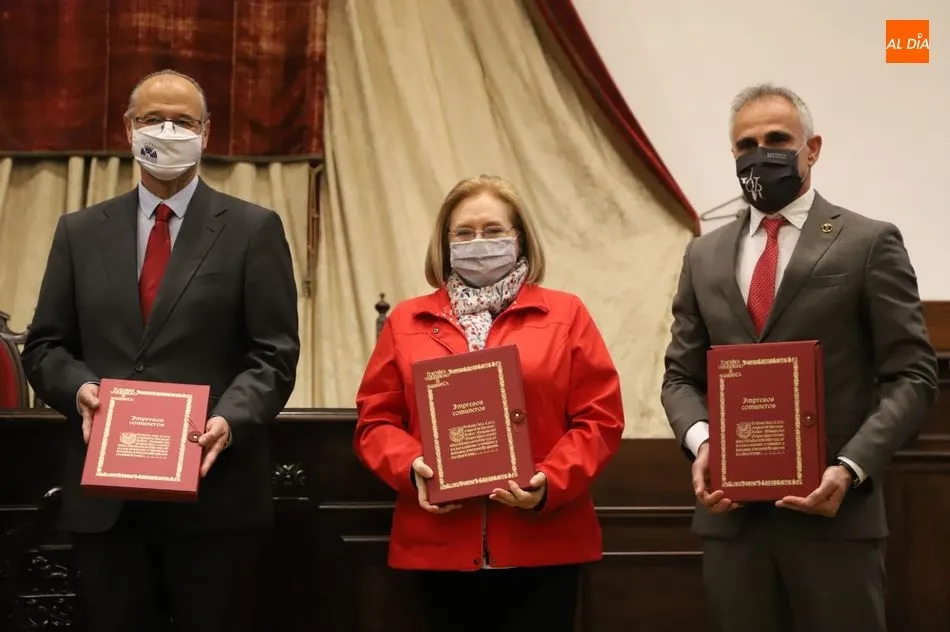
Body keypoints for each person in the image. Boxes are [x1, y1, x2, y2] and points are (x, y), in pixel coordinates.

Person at [20, 69, 300, 632]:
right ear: (128, 129)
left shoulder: (253, 229)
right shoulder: (79, 231)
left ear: (206, 132)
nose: (168, 130)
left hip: (214, 499)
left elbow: (274, 354)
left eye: (183, 121)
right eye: (152, 119)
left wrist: (229, 418)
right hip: (107, 508)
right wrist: (79, 390)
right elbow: (45, 345)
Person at [660, 83, 938, 632]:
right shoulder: (703, 254)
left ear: (812, 148)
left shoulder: (867, 241)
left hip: (836, 519)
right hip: (731, 525)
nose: (760, 153)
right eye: (746, 144)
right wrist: (705, 443)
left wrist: (851, 468)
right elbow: (679, 377)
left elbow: (913, 374)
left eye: (777, 139)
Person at [353, 174, 624, 632]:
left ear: (519, 238)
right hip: (438, 546)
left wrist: (549, 483)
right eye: (464, 233)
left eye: (494, 230)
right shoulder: (406, 320)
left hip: (543, 542)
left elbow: (600, 419)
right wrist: (411, 465)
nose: (479, 242)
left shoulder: (565, 314)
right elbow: (375, 422)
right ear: (445, 242)